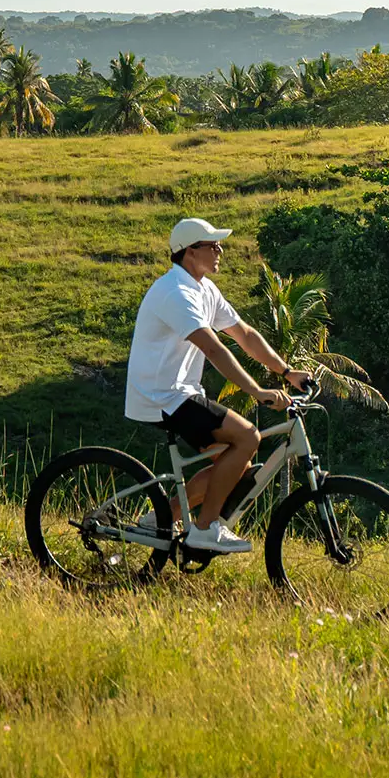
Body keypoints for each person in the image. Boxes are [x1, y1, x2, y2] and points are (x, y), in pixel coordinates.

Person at [125, 217, 311, 554]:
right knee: (248, 437)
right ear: (190, 252)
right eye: (213, 245)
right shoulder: (175, 292)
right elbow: (214, 349)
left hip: (180, 393)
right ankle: (205, 529)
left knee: (236, 463)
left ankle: (161, 519)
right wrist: (257, 392)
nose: (220, 251)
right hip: (162, 395)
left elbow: (245, 335)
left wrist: (286, 372)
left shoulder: (205, 289)